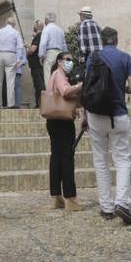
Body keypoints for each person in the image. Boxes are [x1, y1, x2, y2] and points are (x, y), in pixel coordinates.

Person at [85, 26, 131, 225]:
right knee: (122, 159)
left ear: (101, 40)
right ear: (116, 40)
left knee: (101, 161)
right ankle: (122, 203)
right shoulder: (125, 57)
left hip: (96, 114)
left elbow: (88, 85)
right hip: (118, 114)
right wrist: (120, 87)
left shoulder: (93, 57)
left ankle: (106, 207)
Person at [45, 51, 84, 211]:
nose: (70, 63)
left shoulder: (55, 75)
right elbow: (65, 91)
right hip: (62, 122)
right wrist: (80, 86)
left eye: (71, 60)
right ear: (60, 61)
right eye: (67, 60)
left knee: (56, 157)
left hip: (53, 120)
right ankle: (70, 197)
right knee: (67, 158)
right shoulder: (59, 75)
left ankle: (56, 196)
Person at [0, 16, 26, 108]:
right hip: (11, 55)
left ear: (6, 23)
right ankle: (10, 104)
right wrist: (18, 59)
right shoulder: (16, 33)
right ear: (14, 25)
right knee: (10, 81)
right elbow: (20, 46)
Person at [38, 12, 67, 78]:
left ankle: (49, 88)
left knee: (48, 73)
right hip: (60, 53)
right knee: (59, 74)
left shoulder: (47, 28)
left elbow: (43, 43)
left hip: (50, 53)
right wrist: (65, 55)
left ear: (46, 20)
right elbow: (64, 44)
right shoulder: (60, 30)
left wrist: (41, 55)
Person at [26, 20, 45, 107]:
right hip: (38, 64)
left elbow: (33, 50)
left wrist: (27, 52)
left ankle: (40, 103)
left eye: (34, 25)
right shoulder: (42, 35)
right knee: (39, 83)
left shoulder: (38, 35)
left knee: (39, 84)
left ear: (37, 26)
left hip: (36, 65)